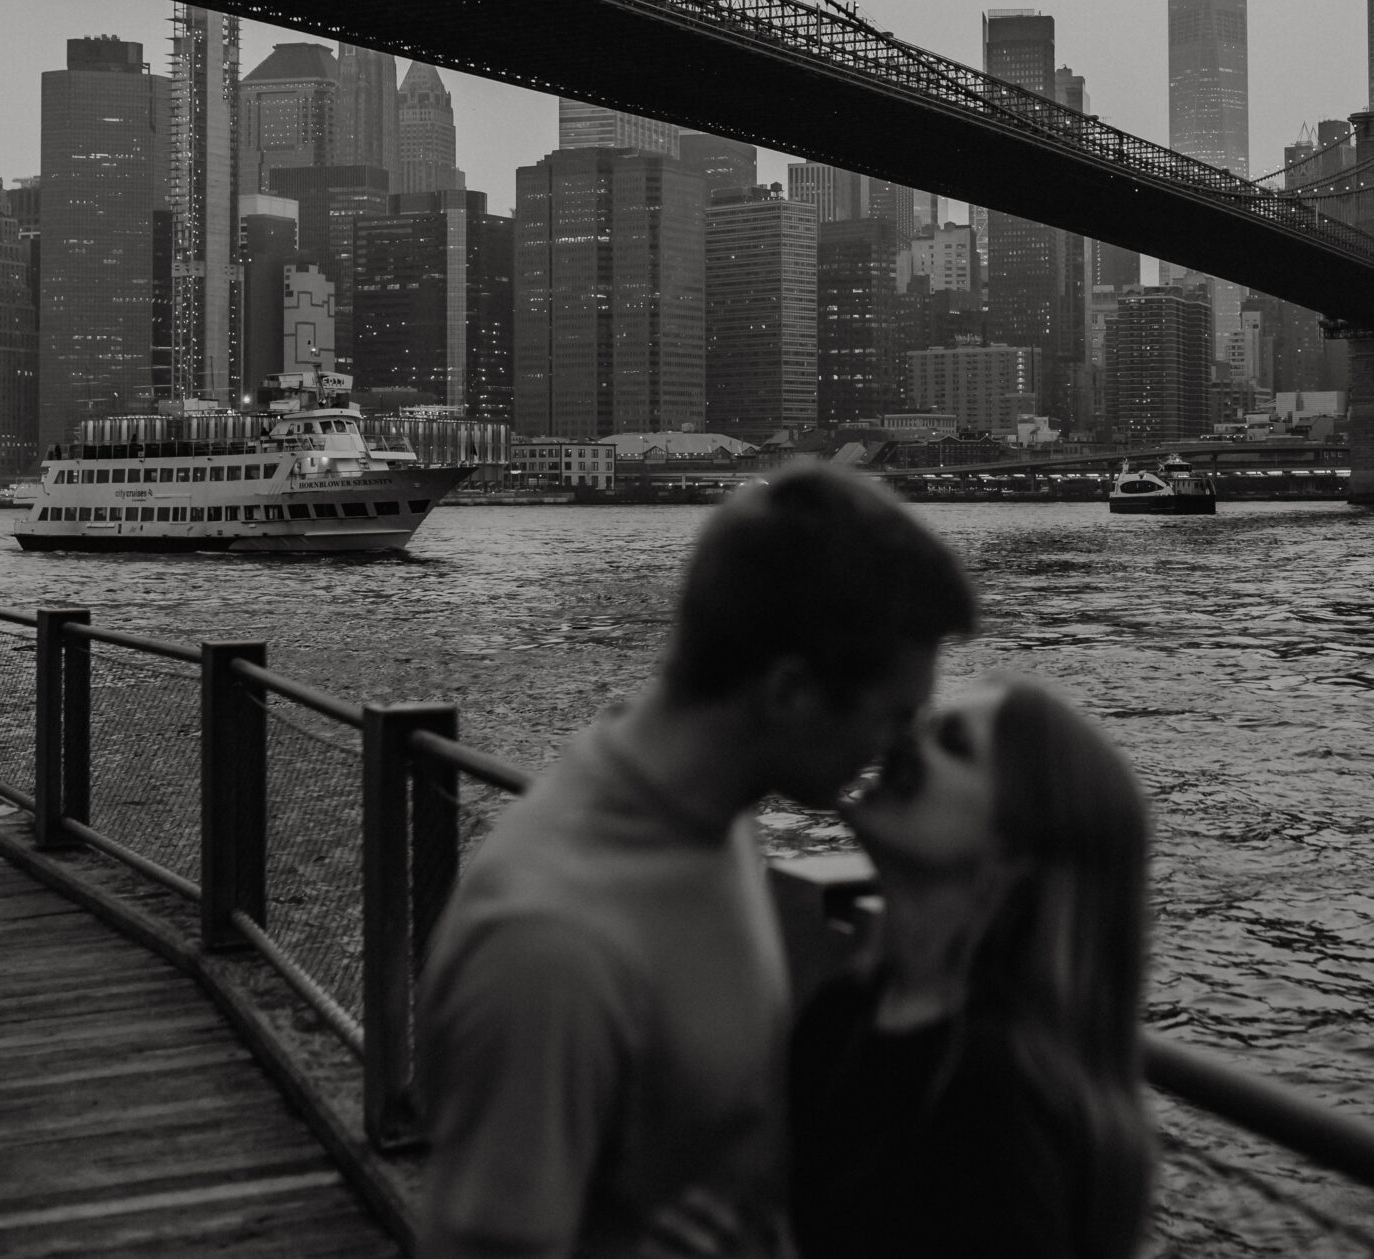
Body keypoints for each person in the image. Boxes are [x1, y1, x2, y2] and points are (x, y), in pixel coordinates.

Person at [417, 464, 978, 1259]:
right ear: (790, 691)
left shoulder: (711, 821)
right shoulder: (551, 944)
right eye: (894, 715)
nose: (902, 751)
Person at [787, 679, 1154, 1259]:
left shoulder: (994, 1095)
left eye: (950, 744)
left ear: (1016, 852)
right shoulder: (843, 1013)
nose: (904, 743)